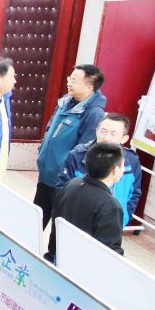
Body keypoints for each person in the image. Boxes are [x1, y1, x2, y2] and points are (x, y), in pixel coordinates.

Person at [35, 64, 108, 224]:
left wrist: (64, 170)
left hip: (63, 180)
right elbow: (49, 130)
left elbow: (84, 151)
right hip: (46, 173)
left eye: (74, 80)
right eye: (70, 78)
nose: (69, 83)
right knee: (35, 220)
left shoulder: (94, 113)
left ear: (89, 87)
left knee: (58, 225)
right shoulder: (65, 101)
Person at [57, 114, 142, 226]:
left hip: (112, 223)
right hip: (76, 223)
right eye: (103, 131)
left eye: (113, 134)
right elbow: (62, 189)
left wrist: (123, 218)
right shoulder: (77, 156)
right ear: (96, 131)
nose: (106, 138)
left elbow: (134, 194)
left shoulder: (131, 161)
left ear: (124, 139)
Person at [48, 143, 127, 260]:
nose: (124, 169)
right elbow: (109, 251)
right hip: (83, 264)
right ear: (115, 170)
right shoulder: (110, 206)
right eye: (123, 165)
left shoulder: (71, 184)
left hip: (59, 256)